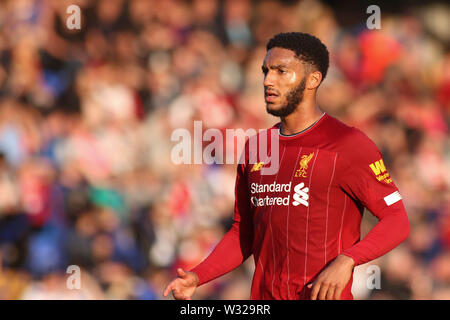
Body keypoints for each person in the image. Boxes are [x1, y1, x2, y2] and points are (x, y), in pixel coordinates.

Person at [163, 32, 410, 300]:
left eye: (281, 71)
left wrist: (348, 259)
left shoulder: (349, 144)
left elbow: (397, 219)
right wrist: (199, 276)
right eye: (266, 71)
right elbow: (243, 232)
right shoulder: (256, 148)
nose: (268, 81)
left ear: (313, 80)